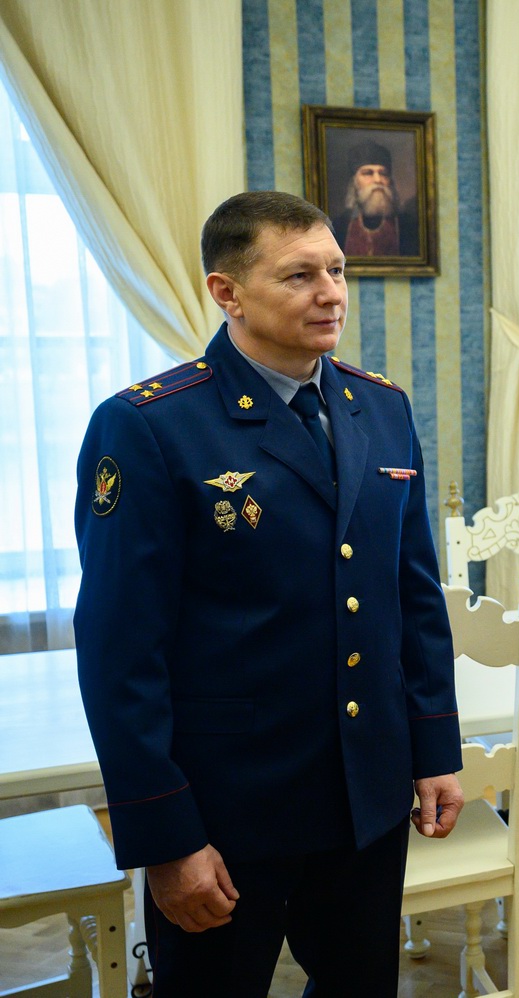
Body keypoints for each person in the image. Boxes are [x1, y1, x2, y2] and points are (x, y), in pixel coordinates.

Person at [74, 191, 462, 995]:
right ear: (228, 292)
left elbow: (413, 596)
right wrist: (166, 836)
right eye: (298, 275)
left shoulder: (381, 407)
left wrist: (434, 752)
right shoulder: (149, 425)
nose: (330, 294)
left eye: (337, 271)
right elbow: (120, 650)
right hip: (226, 814)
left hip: (365, 798)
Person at [330, 138, 420, 257]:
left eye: (383, 173)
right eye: (368, 173)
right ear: (354, 182)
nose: (378, 180)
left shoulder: (409, 226)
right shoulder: (339, 226)